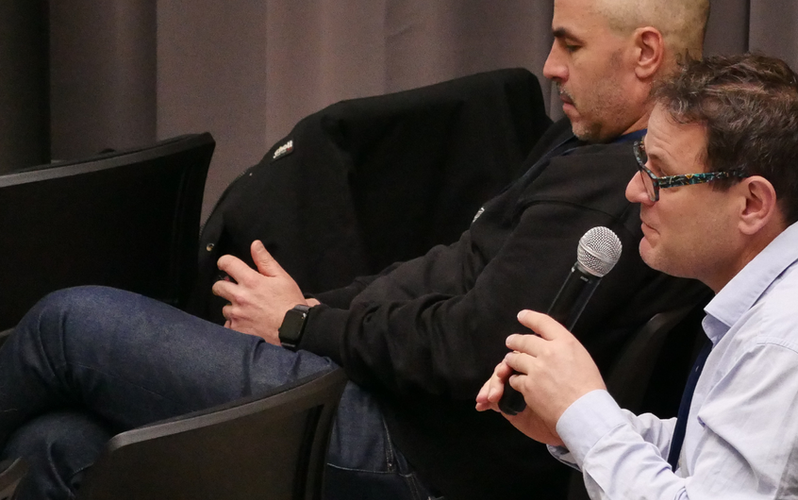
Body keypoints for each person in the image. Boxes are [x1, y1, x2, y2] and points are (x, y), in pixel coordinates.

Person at [0, 1, 712, 499]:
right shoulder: (596, 141)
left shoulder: (617, 189)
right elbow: (454, 266)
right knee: (56, 445)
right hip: (394, 403)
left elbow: (470, 349)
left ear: (647, 53)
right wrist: (314, 312)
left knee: (69, 324)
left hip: (413, 454)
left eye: (571, 44)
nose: (550, 67)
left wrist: (302, 326)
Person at [476, 53, 798, 499]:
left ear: (751, 204)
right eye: (641, 162)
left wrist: (585, 409)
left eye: (659, 175)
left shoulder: (793, 339)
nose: (634, 190)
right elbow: (713, 458)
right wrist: (572, 424)